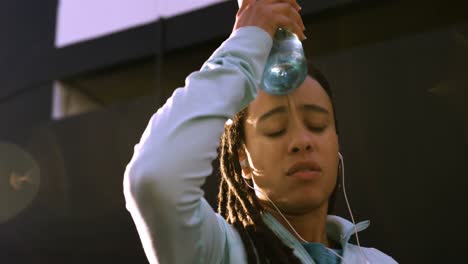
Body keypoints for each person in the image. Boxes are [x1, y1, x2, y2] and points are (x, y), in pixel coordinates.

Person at [123, 0, 397, 263]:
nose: (302, 142)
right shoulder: (219, 254)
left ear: (336, 140)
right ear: (242, 159)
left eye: (317, 125)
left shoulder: (378, 261)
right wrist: (246, 43)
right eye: (275, 130)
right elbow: (154, 177)